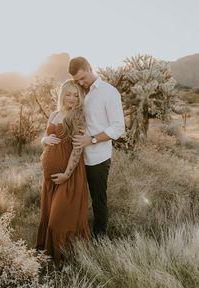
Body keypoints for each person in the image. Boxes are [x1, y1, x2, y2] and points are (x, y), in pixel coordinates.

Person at [68, 57, 125, 238]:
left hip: (97, 157)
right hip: (75, 157)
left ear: (90, 68)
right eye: (77, 80)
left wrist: (90, 140)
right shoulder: (80, 92)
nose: (81, 82)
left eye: (83, 78)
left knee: (98, 200)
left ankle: (99, 239)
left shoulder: (109, 92)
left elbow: (118, 127)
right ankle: (77, 233)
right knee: (75, 198)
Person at [36, 79, 90, 266]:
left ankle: (65, 258)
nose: (73, 98)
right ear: (62, 95)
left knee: (57, 221)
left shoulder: (78, 117)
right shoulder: (53, 114)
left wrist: (67, 174)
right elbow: (45, 138)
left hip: (69, 176)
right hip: (49, 177)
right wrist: (44, 139)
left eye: (76, 95)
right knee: (48, 216)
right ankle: (49, 259)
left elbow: (77, 149)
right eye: (69, 94)